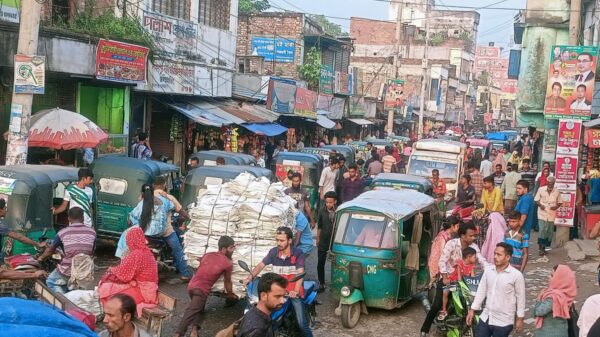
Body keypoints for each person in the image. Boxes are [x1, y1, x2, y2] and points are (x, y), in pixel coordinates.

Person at [243, 227, 312, 337]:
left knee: (301, 324)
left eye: (282, 240)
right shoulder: (273, 252)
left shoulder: (298, 254)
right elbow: (260, 266)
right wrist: (249, 278)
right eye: (277, 240)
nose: (278, 243)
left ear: (289, 241)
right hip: (277, 291)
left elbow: (300, 273)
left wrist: (295, 290)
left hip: (292, 292)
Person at [175, 236, 237, 337]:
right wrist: (230, 294)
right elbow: (227, 281)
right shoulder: (228, 263)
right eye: (231, 248)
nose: (233, 250)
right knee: (191, 311)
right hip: (201, 290)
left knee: (199, 308)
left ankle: (194, 332)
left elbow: (201, 267)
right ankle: (178, 334)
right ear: (223, 249)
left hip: (191, 286)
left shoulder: (207, 255)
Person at [127, 184, 192, 280]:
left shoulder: (141, 203)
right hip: (165, 233)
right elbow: (175, 207)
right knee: (178, 250)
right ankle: (185, 274)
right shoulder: (166, 199)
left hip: (146, 234)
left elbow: (132, 217)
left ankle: (130, 270)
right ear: (164, 185)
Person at [467, 243, 526, 337]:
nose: (495, 257)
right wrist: (473, 309)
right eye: (494, 254)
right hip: (486, 317)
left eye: (499, 255)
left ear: (507, 257)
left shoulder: (516, 275)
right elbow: (481, 291)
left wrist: (520, 318)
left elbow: (521, 298)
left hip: (504, 321)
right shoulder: (488, 271)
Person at [98, 227, 158, 314]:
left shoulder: (137, 254)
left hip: (143, 292)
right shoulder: (146, 252)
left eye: (128, 240)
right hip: (148, 290)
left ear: (131, 240)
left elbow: (123, 275)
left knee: (111, 295)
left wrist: (112, 270)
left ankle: (120, 319)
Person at [38, 207, 96, 294]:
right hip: (84, 269)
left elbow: (50, 250)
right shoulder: (92, 232)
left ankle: (64, 300)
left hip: (68, 270)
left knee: (51, 281)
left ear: (69, 218)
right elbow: (92, 252)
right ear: (83, 218)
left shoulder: (62, 233)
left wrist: (40, 258)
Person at [420, 216, 461, 336]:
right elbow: (439, 258)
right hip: (443, 276)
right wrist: (439, 274)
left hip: (451, 274)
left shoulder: (448, 237)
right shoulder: (442, 239)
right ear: (452, 226)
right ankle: (424, 329)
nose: (458, 228)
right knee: (437, 304)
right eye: (457, 226)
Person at [237, 273, 288, 337]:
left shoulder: (255, 311)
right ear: (263, 296)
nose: (283, 301)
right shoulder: (257, 331)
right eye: (278, 296)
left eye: (284, 296)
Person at [533, 264, 577, 337]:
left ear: (559, 279)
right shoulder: (567, 293)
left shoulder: (554, 297)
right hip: (562, 332)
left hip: (548, 333)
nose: (549, 277)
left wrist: (538, 298)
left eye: (552, 275)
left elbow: (538, 312)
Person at [438, 247, 477, 321]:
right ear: (469, 257)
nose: (476, 258)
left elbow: (473, 276)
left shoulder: (472, 265)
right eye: (474, 257)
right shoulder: (460, 262)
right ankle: (444, 310)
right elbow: (459, 277)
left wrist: (475, 282)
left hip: (464, 283)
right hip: (454, 281)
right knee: (445, 292)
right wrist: (460, 282)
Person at [535, 176, 561, 255]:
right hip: (542, 212)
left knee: (549, 231)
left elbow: (560, 202)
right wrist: (540, 205)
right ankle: (540, 248)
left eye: (552, 183)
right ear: (547, 183)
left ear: (554, 183)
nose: (550, 185)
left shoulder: (557, 191)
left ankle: (544, 247)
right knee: (542, 229)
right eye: (549, 183)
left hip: (551, 212)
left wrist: (556, 207)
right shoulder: (541, 189)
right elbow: (536, 200)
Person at [316, 191, 336, 292]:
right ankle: (321, 283)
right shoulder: (321, 211)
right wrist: (317, 238)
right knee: (320, 262)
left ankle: (336, 284)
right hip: (323, 240)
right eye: (327, 202)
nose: (328, 204)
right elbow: (319, 226)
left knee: (336, 263)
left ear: (335, 202)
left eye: (330, 202)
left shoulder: (338, 212)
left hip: (335, 241)